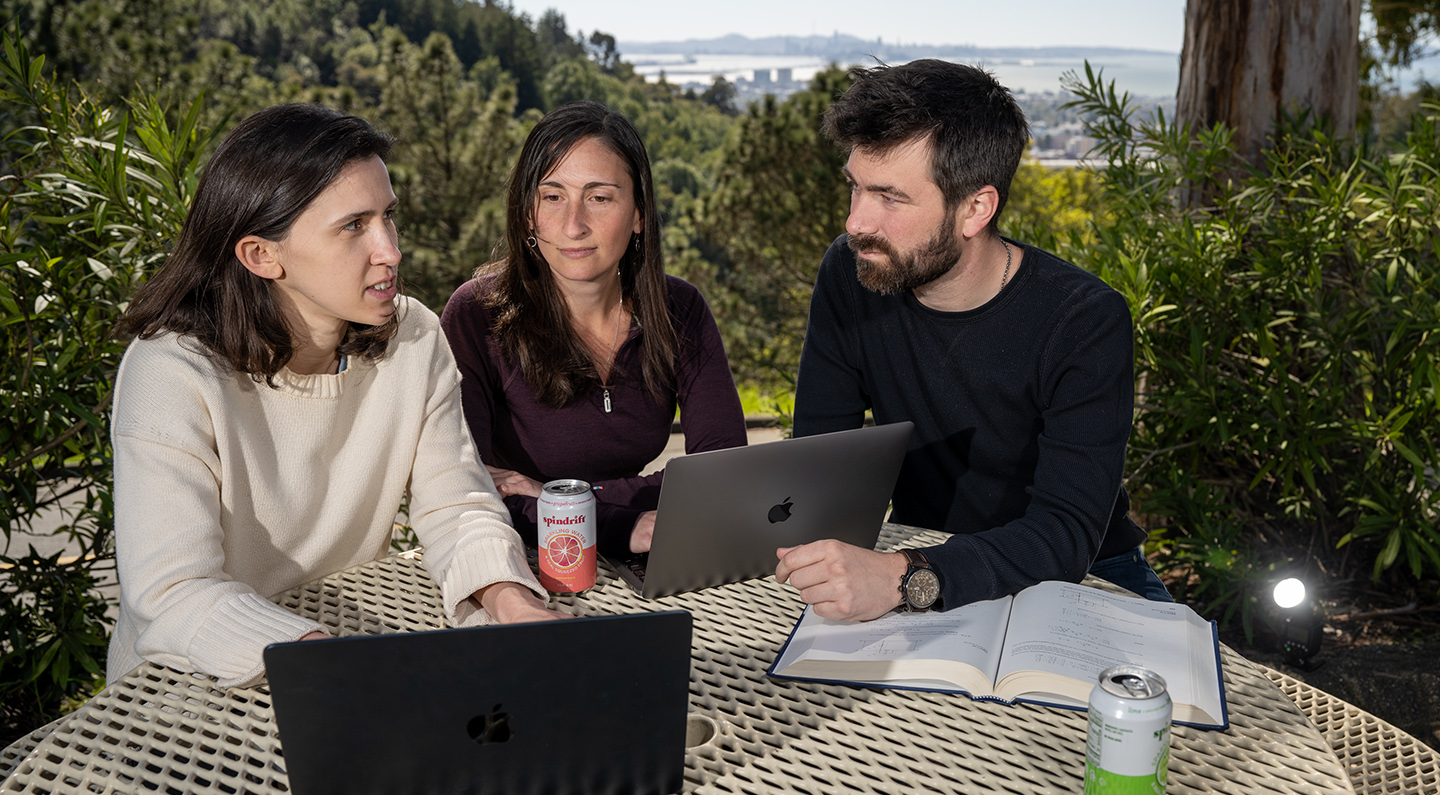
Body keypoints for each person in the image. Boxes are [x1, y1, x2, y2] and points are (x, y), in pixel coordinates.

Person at [108, 103, 558, 689]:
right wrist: (322, 655)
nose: (390, 250)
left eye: (388, 217)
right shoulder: (169, 372)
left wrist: (512, 602)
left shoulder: (414, 337)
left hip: (335, 645)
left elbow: (458, 508)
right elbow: (173, 591)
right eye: (354, 226)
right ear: (261, 255)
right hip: (182, 694)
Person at [776, 60, 1169, 622]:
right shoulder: (852, 271)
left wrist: (902, 577)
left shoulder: (1084, 319)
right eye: (856, 187)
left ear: (976, 209)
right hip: (923, 550)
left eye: (889, 198)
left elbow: (1065, 533)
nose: (856, 221)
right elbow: (821, 461)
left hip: (1090, 574)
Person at [441, 101, 746, 559]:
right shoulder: (475, 315)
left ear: (639, 214)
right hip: (519, 560)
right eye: (552, 196)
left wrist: (552, 496)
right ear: (528, 213)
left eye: (599, 198)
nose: (574, 225)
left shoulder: (679, 309)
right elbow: (471, 491)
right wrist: (618, 521)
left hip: (652, 548)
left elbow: (724, 470)